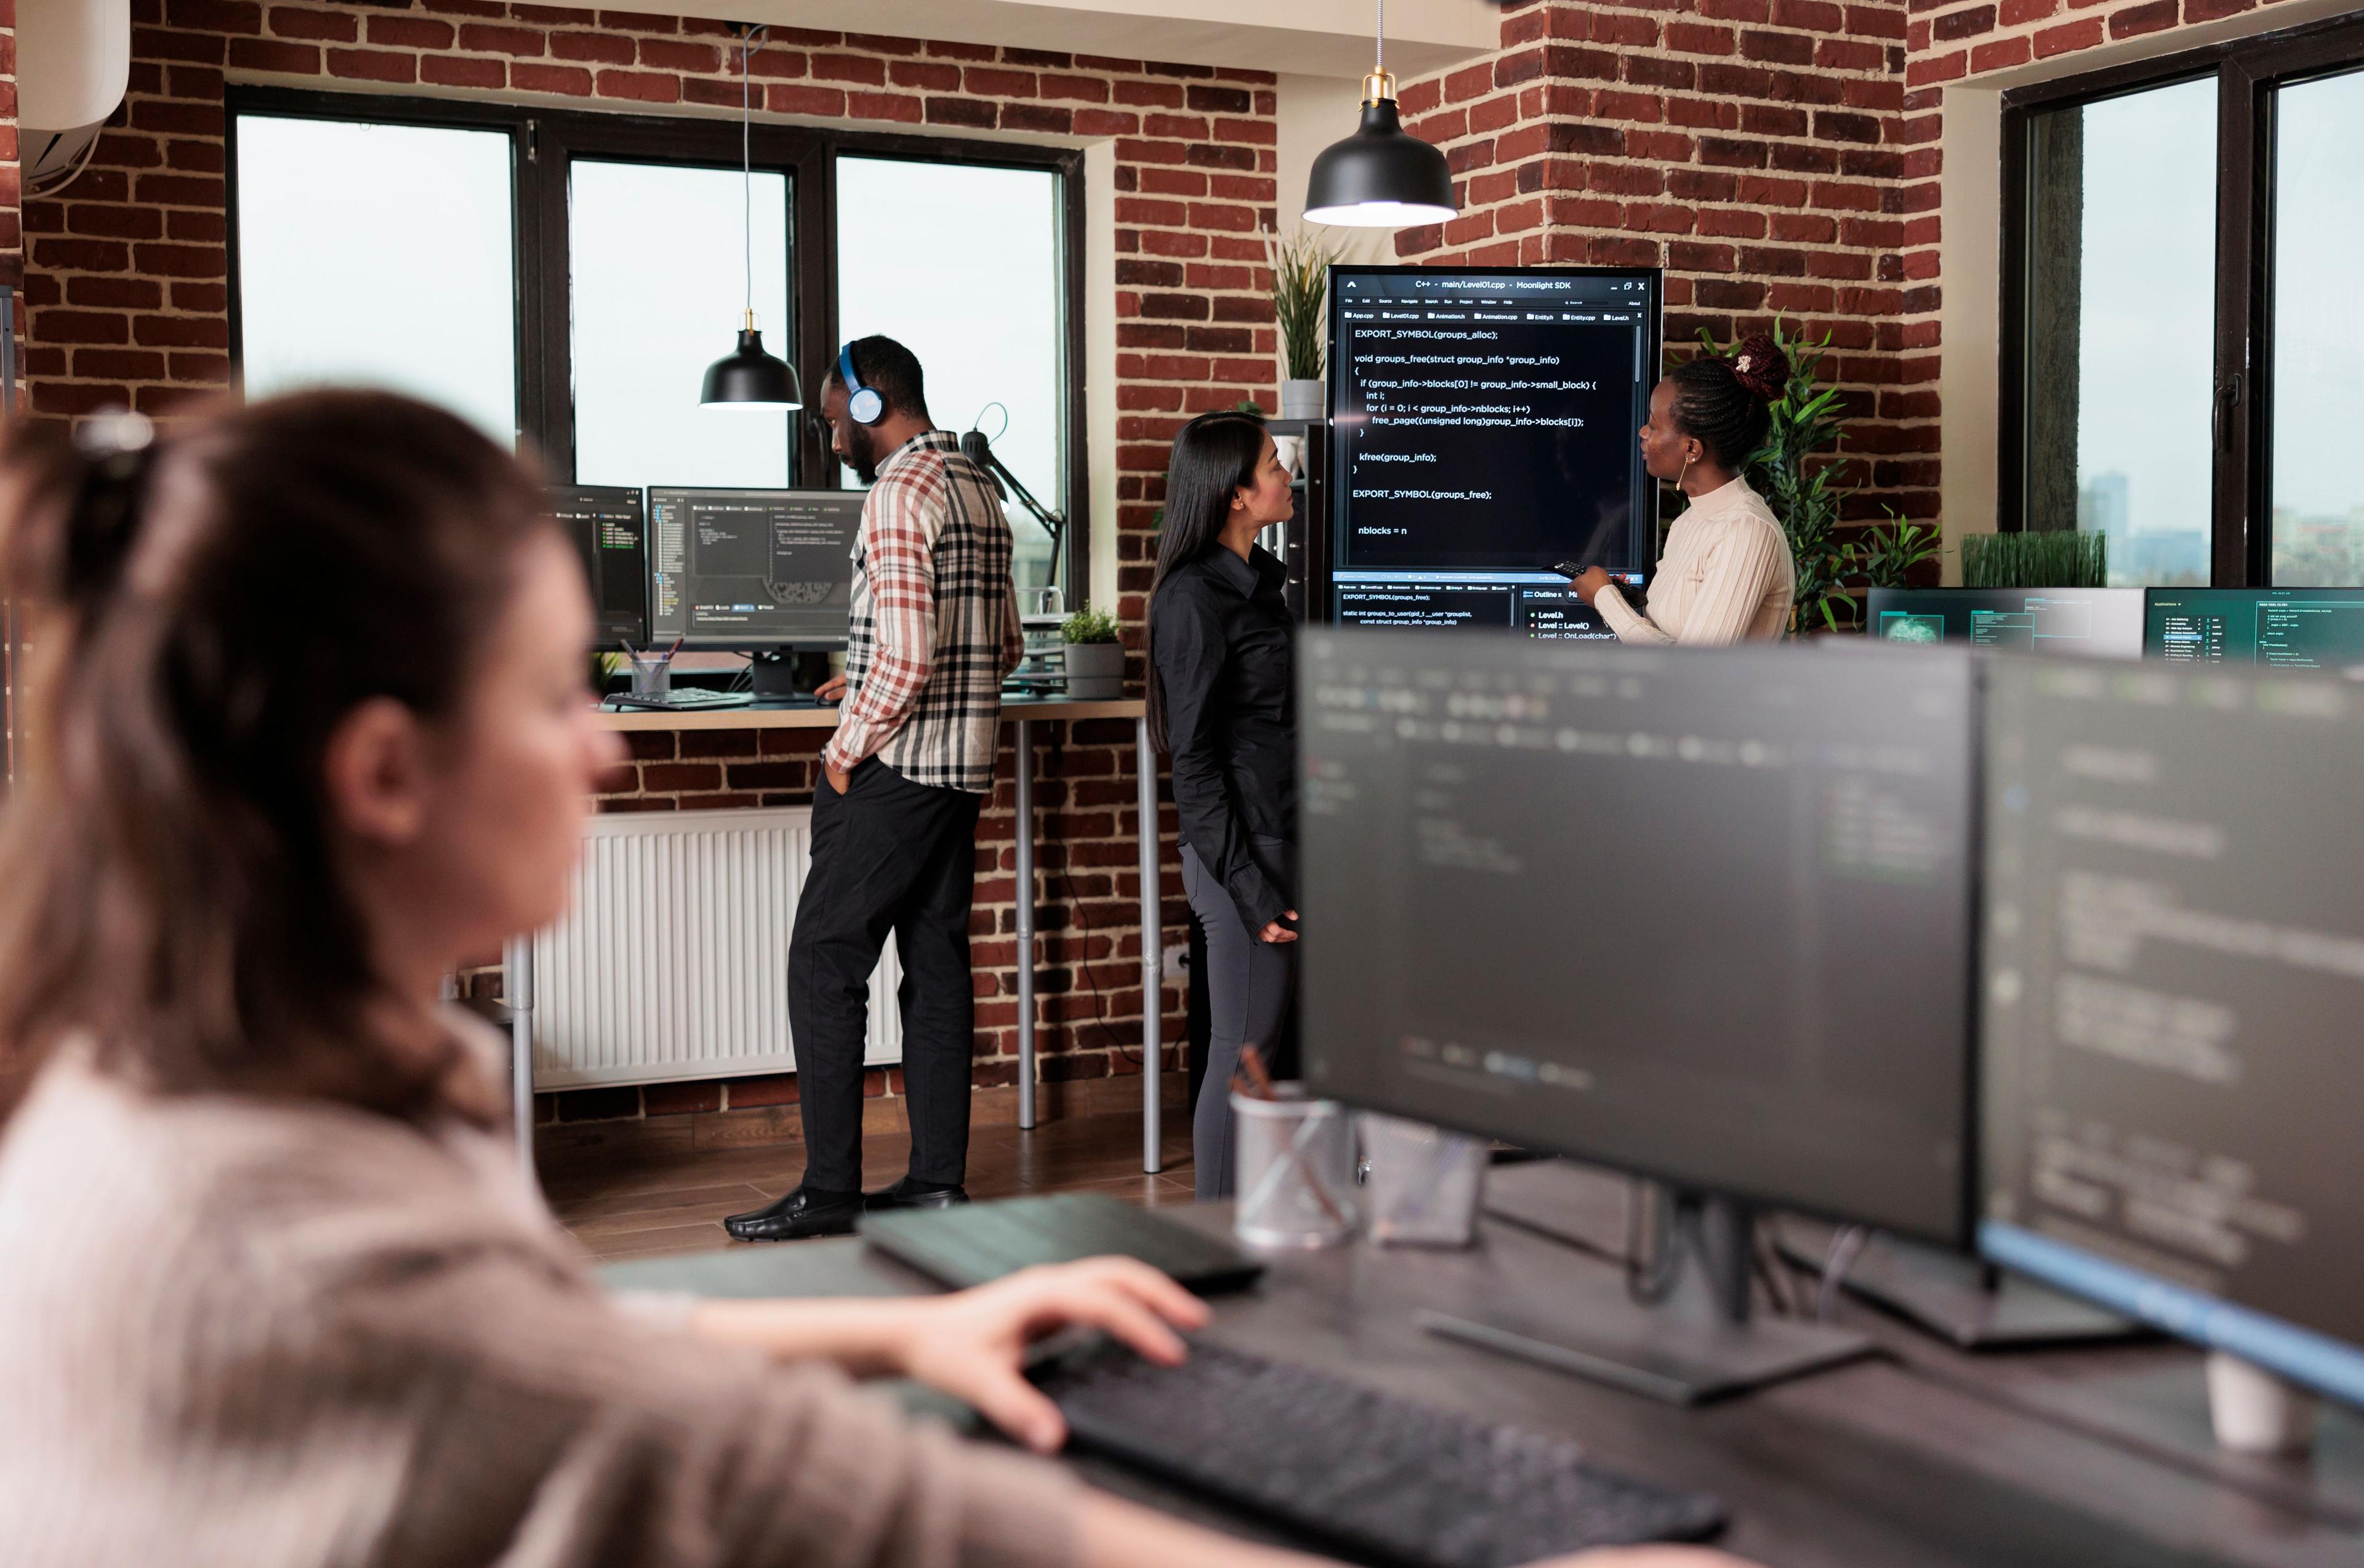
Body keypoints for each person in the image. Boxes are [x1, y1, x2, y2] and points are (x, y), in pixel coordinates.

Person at [0, 389, 1764, 1568]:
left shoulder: (204, 1083)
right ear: (381, 773)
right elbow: (883, 1513)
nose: (601, 753)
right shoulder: (274, 1245)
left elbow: (530, 1345)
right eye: (556, 696)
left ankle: (882, 1203)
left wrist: (887, 1320)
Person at [725, 335, 1024, 1243]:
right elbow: (1005, 646)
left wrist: (847, 745)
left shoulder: (899, 492)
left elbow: (906, 652)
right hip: (958, 770)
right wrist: (864, 682)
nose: (833, 444)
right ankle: (935, 1182)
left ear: (867, 408)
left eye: (833, 425)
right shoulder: (978, 486)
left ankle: (829, 1192)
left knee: (823, 961)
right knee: (935, 967)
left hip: (893, 770)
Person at [1147, 412, 1298, 1199]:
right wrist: (1249, 885)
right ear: (1236, 494)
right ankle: (1212, 1235)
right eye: (1275, 463)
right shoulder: (1192, 599)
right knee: (1241, 1049)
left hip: (1281, 839)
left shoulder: (1263, 585)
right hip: (1241, 855)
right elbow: (1195, 763)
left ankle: (1265, 1228)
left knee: (1271, 1051)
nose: (1287, 473)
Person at [1568, 335, 1797, 643]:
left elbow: (1693, 671)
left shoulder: (1748, 531)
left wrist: (1606, 600)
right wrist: (1620, 597)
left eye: (1654, 424)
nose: (1643, 433)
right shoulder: (1689, 521)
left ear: (1692, 449)